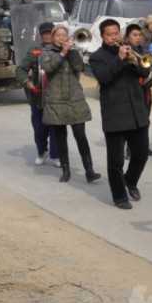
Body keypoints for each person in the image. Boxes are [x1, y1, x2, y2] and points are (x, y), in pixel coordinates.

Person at [89, 19, 152, 210]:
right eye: (109, 34)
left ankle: (130, 181)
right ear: (102, 36)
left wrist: (133, 59)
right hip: (115, 115)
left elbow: (144, 70)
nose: (113, 37)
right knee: (115, 161)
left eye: (116, 33)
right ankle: (119, 196)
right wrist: (120, 59)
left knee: (141, 155)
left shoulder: (130, 50)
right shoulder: (96, 57)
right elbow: (104, 78)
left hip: (137, 113)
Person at [38, 24, 100, 185]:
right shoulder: (46, 52)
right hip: (56, 101)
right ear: (52, 38)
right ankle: (66, 170)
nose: (61, 38)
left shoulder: (73, 52)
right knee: (61, 137)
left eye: (64, 35)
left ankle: (89, 170)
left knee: (81, 136)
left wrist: (71, 52)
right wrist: (62, 53)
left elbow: (79, 68)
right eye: (58, 35)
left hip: (75, 100)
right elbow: (48, 67)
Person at [15, 20, 61, 167]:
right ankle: (42, 151)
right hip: (37, 95)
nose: (47, 36)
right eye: (45, 34)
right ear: (41, 35)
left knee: (56, 127)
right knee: (39, 127)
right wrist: (27, 83)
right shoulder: (34, 50)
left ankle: (56, 155)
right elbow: (20, 69)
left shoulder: (61, 49)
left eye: (50, 33)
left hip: (56, 96)